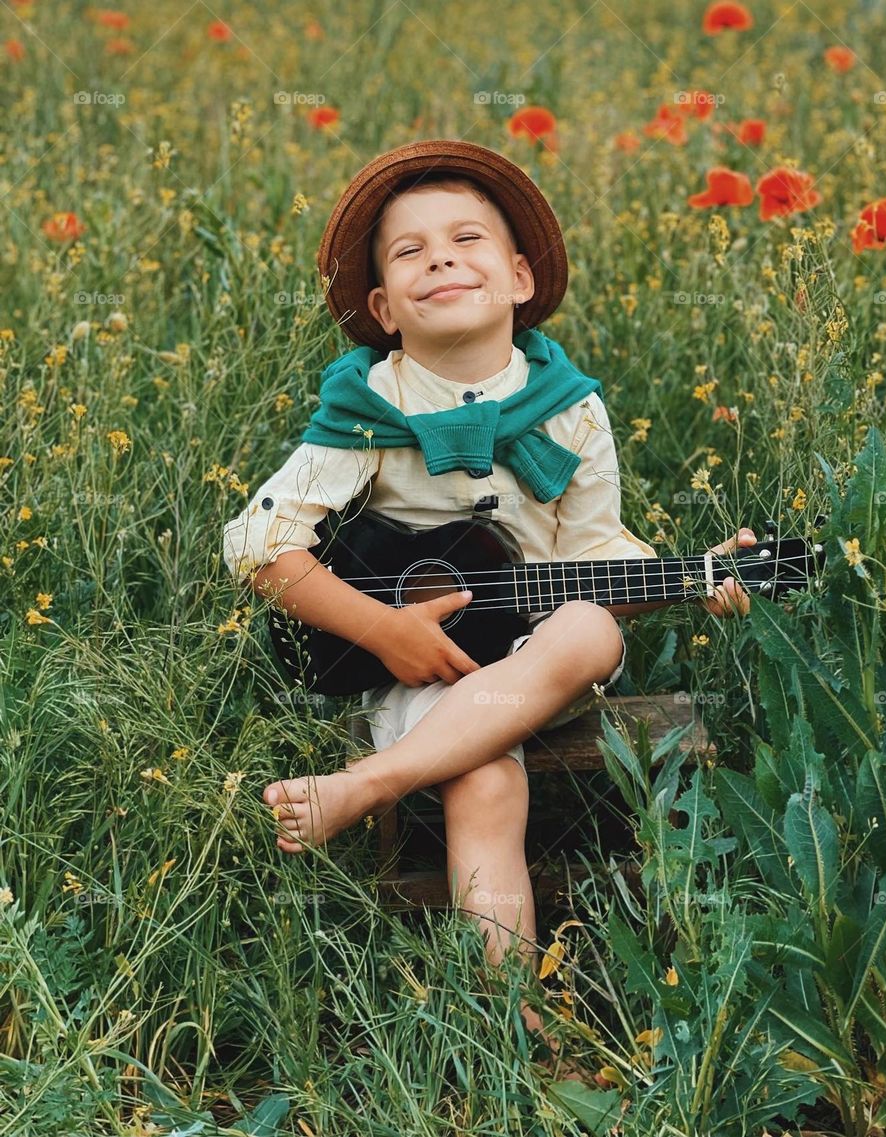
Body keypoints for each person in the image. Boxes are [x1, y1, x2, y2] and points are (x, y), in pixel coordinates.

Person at [222, 139, 755, 1077]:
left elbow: (592, 556)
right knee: (487, 782)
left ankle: (367, 787)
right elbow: (258, 542)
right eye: (410, 251)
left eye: (466, 239)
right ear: (384, 310)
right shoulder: (369, 406)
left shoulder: (570, 410)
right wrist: (384, 626)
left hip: (543, 651)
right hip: (424, 660)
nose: (440, 259)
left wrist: (689, 575)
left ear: (518, 276)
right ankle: (513, 1019)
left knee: (587, 622)